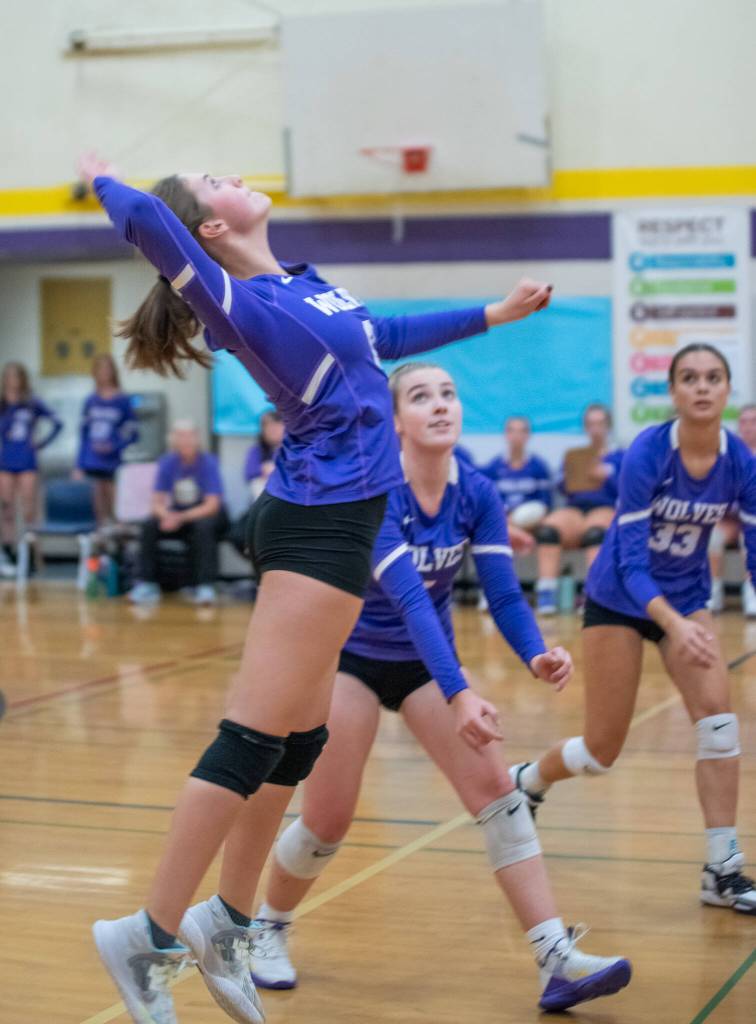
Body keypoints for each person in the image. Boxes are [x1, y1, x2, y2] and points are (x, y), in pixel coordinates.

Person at [78, 151, 553, 1024]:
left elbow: (385, 341)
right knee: (249, 741)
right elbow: (149, 221)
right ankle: (145, 933)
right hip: (314, 524)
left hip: (339, 523)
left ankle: (226, 919)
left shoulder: (304, 284)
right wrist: (104, 178)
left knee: (295, 745)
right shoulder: (238, 303)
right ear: (210, 229)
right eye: (210, 178)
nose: (229, 172)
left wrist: (497, 314)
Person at [236, 363, 631, 1012]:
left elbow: (502, 591)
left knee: (498, 792)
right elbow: (413, 602)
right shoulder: (374, 492)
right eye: (421, 397)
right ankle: (265, 928)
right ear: (396, 421)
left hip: (426, 667)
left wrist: (536, 654)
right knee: (328, 819)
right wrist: (460, 693)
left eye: (448, 394)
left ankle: (554, 957)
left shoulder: (476, 491)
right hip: (349, 659)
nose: (441, 405)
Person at [510, 344, 756, 916]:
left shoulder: (739, 460)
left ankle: (722, 868)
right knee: (601, 750)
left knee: (719, 721)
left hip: (685, 598)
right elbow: (628, 559)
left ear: (726, 391)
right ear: (672, 392)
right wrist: (670, 620)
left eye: (713, 378)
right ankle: (526, 780)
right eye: (689, 378)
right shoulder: (648, 453)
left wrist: (692, 615)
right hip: (620, 599)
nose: (701, 387)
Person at [534, 403, 623, 614]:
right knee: (548, 531)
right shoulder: (575, 456)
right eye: (591, 424)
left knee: (595, 534)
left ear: (608, 426)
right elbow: (561, 486)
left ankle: (593, 594)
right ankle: (547, 592)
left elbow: (630, 489)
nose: (595, 428)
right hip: (576, 508)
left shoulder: (619, 456)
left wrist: (607, 476)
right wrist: (572, 477)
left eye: (600, 423)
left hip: (605, 506)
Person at [128, 421, 228, 606]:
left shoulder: (208, 462)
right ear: (173, 439)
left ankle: (205, 585)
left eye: (189, 436)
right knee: (149, 524)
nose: (185, 441)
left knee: (203, 527)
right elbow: (156, 502)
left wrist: (179, 518)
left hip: (206, 514)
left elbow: (212, 505)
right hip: (177, 514)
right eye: (181, 436)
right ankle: (146, 583)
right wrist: (166, 515)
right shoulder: (167, 462)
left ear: (197, 439)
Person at [0, 361, 62, 569]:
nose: (13, 381)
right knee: (6, 509)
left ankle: (32, 555)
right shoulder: (2, 404)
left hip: (27, 460)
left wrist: (41, 443)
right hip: (6, 461)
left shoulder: (32, 403)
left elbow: (57, 422)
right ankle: (9, 551)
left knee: (28, 510)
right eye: (9, 377)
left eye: (17, 376)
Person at [74, 353, 138, 525]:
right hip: (93, 462)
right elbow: (83, 434)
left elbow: (133, 434)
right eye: (100, 369)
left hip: (113, 462)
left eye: (107, 369)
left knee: (117, 508)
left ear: (113, 372)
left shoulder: (122, 400)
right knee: (99, 510)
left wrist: (114, 446)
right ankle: (101, 544)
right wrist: (79, 464)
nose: (103, 373)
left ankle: (120, 545)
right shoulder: (90, 401)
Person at [708, 403, 756, 615]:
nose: (747, 427)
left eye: (753, 422)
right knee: (712, 536)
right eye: (743, 422)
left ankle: (751, 594)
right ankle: (712, 594)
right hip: (729, 517)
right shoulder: (725, 455)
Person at [482, 414, 552, 553]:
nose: (516, 436)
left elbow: (545, 505)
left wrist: (525, 522)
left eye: (521, 431)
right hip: (502, 522)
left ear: (528, 435)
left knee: (548, 532)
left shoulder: (539, 467)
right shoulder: (493, 468)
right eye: (512, 431)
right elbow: (487, 503)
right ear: (506, 434)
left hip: (532, 523)